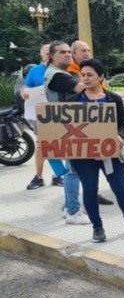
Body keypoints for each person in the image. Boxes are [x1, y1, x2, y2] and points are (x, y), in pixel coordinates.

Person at [67, 59, 124, 243]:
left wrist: (120, 135)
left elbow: (123, 123)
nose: (86, 79)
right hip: (83, 155)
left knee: (120, 187)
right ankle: (97, 228)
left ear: (101, 77)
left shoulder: (113, 99)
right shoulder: (73, 101)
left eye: (90, 75)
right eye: (83, 75)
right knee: (90, 189)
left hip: (110, 152)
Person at [43, 41, 90, 225]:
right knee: (74, 170)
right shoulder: (57, 76)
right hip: (67, 127)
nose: (68, 55)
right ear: (52, 56)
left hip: (66, 127)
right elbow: (83, 88)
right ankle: (73, 211)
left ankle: (70, 207)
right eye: (63, 52)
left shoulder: (58, 73)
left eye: (69, 52)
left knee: (73, 169)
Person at [67, 40, 114, 206]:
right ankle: (72, 206)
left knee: (103, 179)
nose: (87, 53)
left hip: (100, 138)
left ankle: (92, 195)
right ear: (74, 53)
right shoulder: (68, 72)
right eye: (82, 50)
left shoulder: (108, 94)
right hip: (76, 135)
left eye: (88, 50)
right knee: (73, 172)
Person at [23, 44, 64, 190]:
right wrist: (24, 93)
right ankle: (39, 176)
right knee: (42, 145)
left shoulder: (62, 69)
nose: (49, 55)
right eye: (47, 53)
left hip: (61, 113)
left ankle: (59, 174)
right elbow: (25, 87)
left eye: (52, 52)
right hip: (41, 114)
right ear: (42, 55)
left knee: (59, 144)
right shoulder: (35, 70)